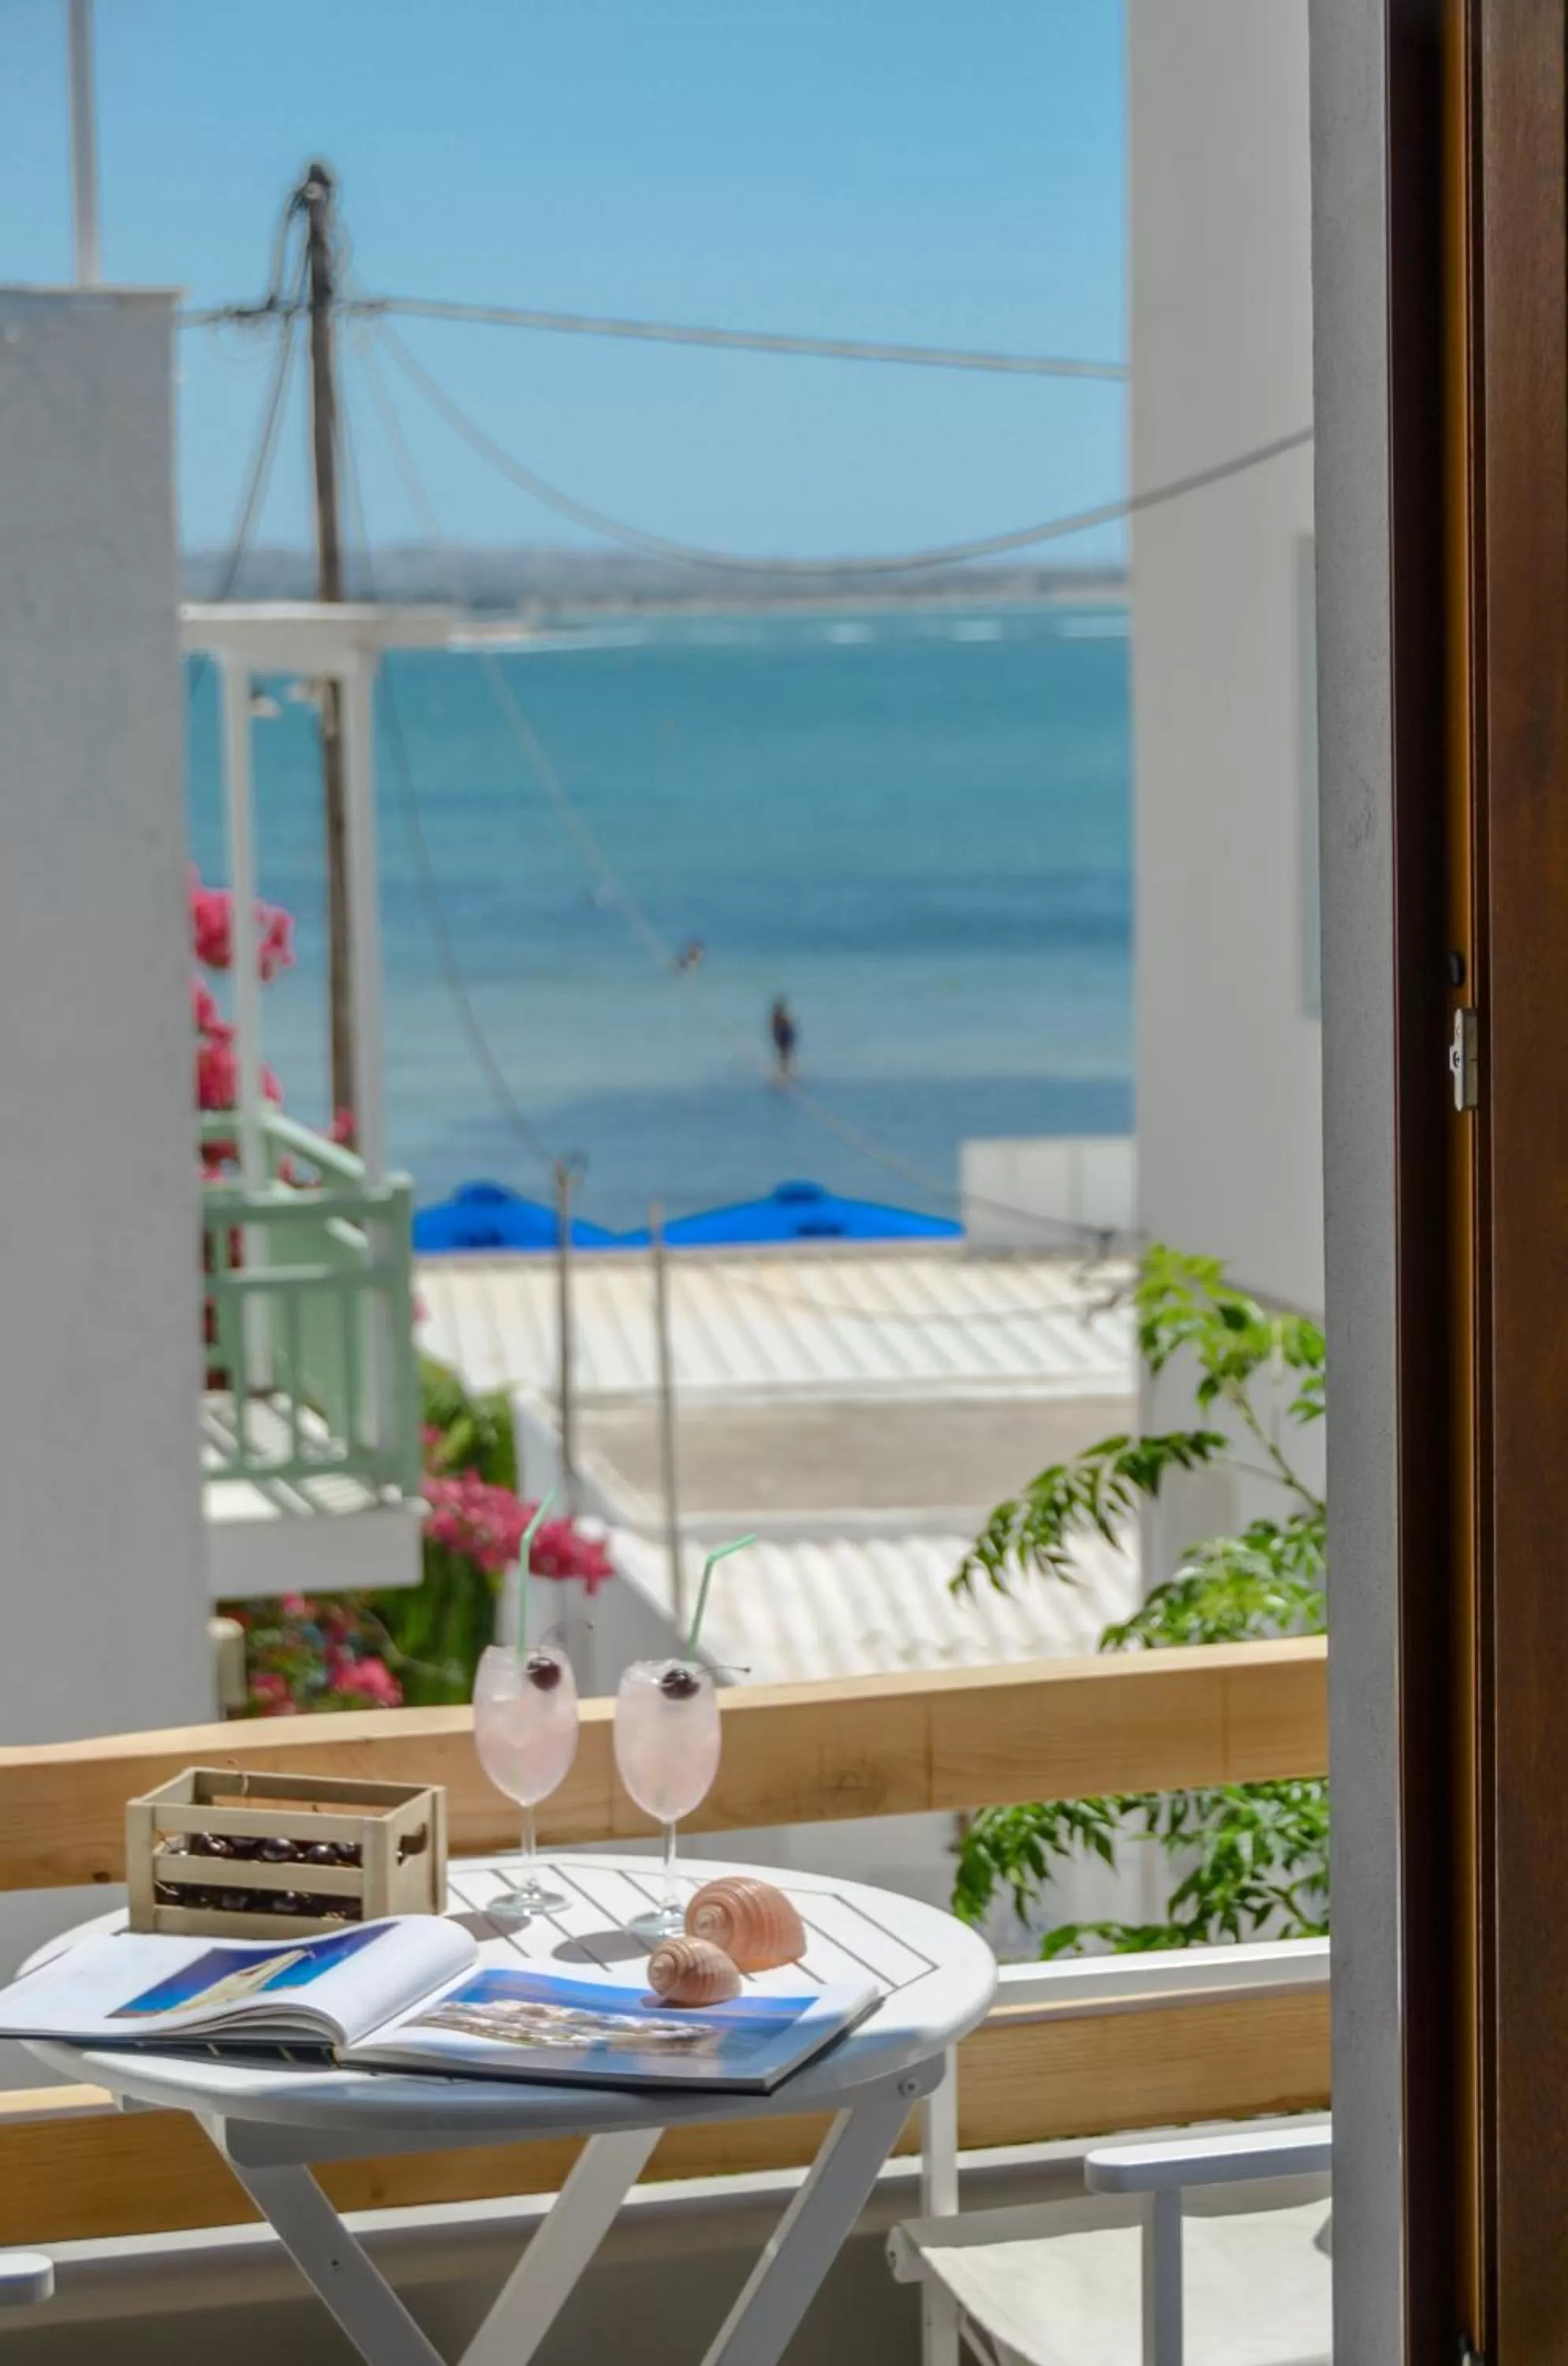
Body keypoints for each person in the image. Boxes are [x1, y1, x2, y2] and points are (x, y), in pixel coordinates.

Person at [769, 996, 797, 1082]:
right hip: (782, 1038)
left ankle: (785, 1072)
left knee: (784, 1055)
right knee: (783, 1055)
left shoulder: (780, 1018)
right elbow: (775, 1029)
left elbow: (788, 1030)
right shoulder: (778, 1018)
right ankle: (785, 1072)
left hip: (783, 1038)